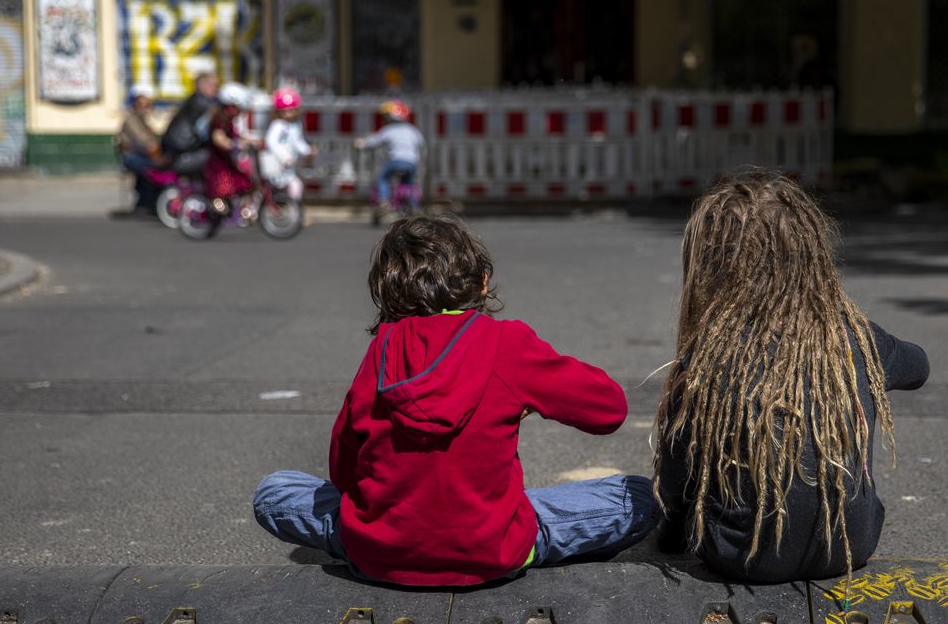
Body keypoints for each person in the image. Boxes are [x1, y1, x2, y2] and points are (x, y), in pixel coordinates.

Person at [253, 214, 658, 586]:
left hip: (378, 554)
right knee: (638, 496)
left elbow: (343, 471)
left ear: (388, 291)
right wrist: (530, 400)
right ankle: (527, 545)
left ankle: (387, 546)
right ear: (482, 281)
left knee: (275, 491)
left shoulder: (382, 352)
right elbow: (609, 409)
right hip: (493, 552)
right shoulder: (506, 343)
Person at [653, 170, 929, 584]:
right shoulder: (853, 335)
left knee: (643, 494)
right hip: (852, 545)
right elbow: (919, 367)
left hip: (741, 554)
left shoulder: (709, 354)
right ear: (814, 257)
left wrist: (673, 533)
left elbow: (679, 474)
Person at [354, 100, 425, 215]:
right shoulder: (413, 130)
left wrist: (361, 143)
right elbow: (421, 144)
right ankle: (414, 204)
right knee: (409, 183)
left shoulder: (389, 130)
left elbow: (373, 141)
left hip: (396, 161)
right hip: (411, 163)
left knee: (383, 178)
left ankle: (384, 201)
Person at [203, 82, 258, 209]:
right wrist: (234, 145)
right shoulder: (219, 119)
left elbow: (236, 135)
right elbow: (218, 138)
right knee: (228, 186)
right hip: (217, 161)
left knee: (247, 181)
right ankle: (217, 206)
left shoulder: (228, 120)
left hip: (226, 159)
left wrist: (253, 141)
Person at [259, 88, 316, 201]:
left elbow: (298, 142)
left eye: (291, 111)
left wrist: (308, 150)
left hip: (289, 167)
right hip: (276, 165)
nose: (288, 115)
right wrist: (284, 156)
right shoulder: (277, 125)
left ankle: (291, 207)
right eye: (284, 112)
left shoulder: (296, 125)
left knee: (295, 186)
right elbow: (272, 142)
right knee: (277, 188)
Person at [161, 71, 219, 175]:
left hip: (180, 152)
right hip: (180, 156)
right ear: (203, 86)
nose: (216, 89)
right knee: (215, 156)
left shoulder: (194, 100)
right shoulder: (200, 102)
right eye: (214, 85)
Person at [116, 83, 162, 214]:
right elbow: (144, 141)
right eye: (144, 105)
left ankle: (146, 202)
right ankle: (146, 203)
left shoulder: (144, 120)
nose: (147, 108)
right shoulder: (131, 119)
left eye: (148, 105)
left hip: (143, 155)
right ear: (136, 105)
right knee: (154, 170)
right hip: (131, 157)